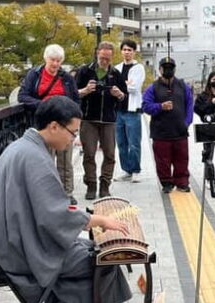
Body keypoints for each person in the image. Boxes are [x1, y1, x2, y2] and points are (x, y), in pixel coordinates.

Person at [0, 96, 132, 303]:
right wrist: (101, 220)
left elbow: (48, 208)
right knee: (105, 259)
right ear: (54, 126)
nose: (74, 139)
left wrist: (81, 218)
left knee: (87, 247)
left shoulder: (20, 147)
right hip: (19, 251)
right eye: (72, 132)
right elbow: (55, 216)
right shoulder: (35, 158)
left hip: (7, 241)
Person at [18, 44, 81, 204]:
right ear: (46, 59)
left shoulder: (66, 78)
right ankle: (46, 194)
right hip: (44, 124)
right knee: (45, 160)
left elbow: (75, 100)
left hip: (64, 123)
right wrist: (44, 105)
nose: (55, 64)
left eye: (59, 61)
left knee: (65, 162)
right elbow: (23, 96)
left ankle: (67, 194)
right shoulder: (35, 75)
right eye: (53, 60)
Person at [74, 42, 127, 199]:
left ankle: (105, 184)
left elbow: (125, 99)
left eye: (108, 59)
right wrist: (85, 91)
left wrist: (120, 95)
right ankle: (91, 185)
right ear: (97, 54)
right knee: (89, 154)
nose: (104, 61)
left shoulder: (116, 74)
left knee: (110, 154)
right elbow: (73, 94)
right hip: (89, 119)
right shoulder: (85, 71)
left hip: (109, 120)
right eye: (102, 58)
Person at [142, 57, 194, 193]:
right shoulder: (152, 87)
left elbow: (189, 105)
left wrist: (186, 123)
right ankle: (166, 182)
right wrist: (160, 107)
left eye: (171, 67)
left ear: (175, 69)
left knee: (182, 159)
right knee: (162, 160)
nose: (168, 70)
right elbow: (146, 106)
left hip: (180, 131)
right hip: (160, 132)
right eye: (165, 68)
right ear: (159, 69)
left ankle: (182, 182)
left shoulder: (183, 86)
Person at [114, 40, 145, 183]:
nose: (127, 52)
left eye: (130, 50)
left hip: (132, 110)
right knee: (121, 143)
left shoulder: (138, 68)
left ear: (134, 52)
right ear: (121, 51)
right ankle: (126, 169)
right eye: (125, 49)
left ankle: (136, 169)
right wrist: (125, 84)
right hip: (118, 111)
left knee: (134, 142)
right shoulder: (116, 68)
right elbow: (113, 87)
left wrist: (122, 85)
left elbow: (134, 88)